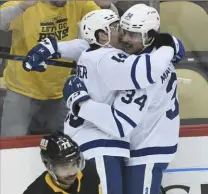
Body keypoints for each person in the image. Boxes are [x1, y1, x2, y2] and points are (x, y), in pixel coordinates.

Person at [21, 6, 184, 194]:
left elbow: (120, 123)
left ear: (148, 36)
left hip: (146, 144)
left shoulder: (143, 69)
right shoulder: (135, 57)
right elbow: (91, 47)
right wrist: (55, 47)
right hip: (117, 143)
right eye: (121, 30)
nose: (124, 37)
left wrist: (80, 103)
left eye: (131, 34)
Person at [0, 0, 118, 137]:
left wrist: (107, 6)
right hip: (21, 91)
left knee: (64, 144)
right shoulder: (24, 3)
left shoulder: (78, 3)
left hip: (60, 91)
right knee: (11, 145)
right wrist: (21, 7)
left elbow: (114, 27)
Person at [23, 131, 101, 194]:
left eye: (74, 163)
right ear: (49, 166)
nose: (72, 172)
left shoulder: (91, 172)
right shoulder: (35, 192)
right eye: (64, 166)